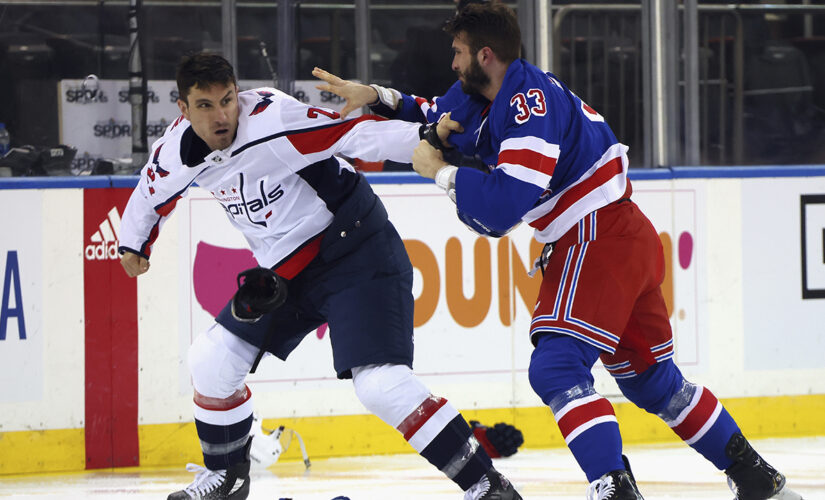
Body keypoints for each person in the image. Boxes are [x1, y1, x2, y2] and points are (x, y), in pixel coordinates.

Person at [313, 4, 805, 500]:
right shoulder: (487, 91)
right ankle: (757, 477)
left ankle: (614, 489)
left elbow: (503, 209)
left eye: (459, 53)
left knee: (556, 368)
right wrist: (375, 95)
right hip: (619, 235)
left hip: (597, 238)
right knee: (654, 383)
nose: (453, 63)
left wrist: (440, 174)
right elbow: (435, 113)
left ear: (485, 55)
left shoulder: (529, 106)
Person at [118, 52, 521, 500]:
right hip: (287, 273)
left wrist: (430, 137)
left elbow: (354, 134)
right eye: (206, 105)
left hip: (355, 249)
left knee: (381, 386)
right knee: (210, 363)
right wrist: (133, 243)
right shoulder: (175, 151)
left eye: (227, 100)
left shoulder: (271, 118)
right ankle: (227, 479)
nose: (222, 115)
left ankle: (487, 485)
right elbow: (149, 194)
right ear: (183, 109)